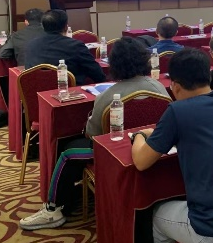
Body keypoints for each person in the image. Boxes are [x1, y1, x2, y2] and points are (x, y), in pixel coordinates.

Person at [19, 37, 170, 230]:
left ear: (114, 64)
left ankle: (54, 209)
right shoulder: (159, 88)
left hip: (116, 152)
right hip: (150, 148)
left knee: (67, 152)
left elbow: (93, 135)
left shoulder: (107, 96)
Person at [131, 49, 213, 243]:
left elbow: (141, 162)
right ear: (209, 76)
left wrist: (140, 136)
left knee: (157, 216)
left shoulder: (177, 111)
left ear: (174, 87)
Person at [25, 10, 105, 85]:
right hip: (70, 91)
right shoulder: (75, 45)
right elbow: (97, 74)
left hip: (37, 91)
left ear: (43, 26)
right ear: (66, 27)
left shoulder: (31, 44)